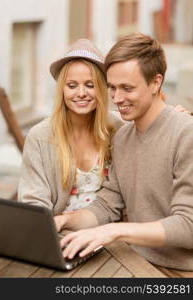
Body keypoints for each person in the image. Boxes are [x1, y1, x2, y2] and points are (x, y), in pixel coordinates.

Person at [55, 33, 193, 271]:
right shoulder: (122, 138)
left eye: (127, 88)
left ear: (156, 83)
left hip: (178, 270)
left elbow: (188, 226)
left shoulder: (185, 134)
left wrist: (113, 231)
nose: (117, 99)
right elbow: (108, 205)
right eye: (112, 88)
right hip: (131, 260)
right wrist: (66, 219)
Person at [18, 39, 122, 214]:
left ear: (102, 88)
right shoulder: (40, 137)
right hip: (58, 231)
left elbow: (150, 124)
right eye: (72, 86)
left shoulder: (119, 129)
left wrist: (177, 115)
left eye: (90, 85)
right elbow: (33, 201)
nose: (81, 93)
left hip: (109, 231)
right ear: (62, 90)